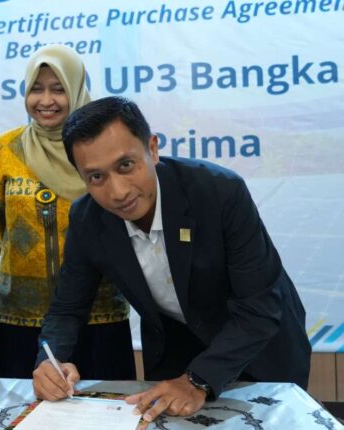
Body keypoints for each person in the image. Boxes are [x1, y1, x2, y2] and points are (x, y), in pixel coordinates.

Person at [32, 96, 310, 422]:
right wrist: (50, 360)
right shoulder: (87, 219)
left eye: (126, 165)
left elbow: (259, 306)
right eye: (96, 177)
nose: (118, 191)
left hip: (259, 347)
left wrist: (198, 380)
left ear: (152, 149)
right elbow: (67, 309)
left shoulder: (221, 192)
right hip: (176, 355)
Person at [0, 45, 134, 379]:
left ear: (76, 89)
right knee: (24, 405)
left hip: (99, 310)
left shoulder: (99, 149)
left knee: (103, 402)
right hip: (20, 313)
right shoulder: (7, 148)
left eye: (58, 89)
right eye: (36, 89)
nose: (46, 101)